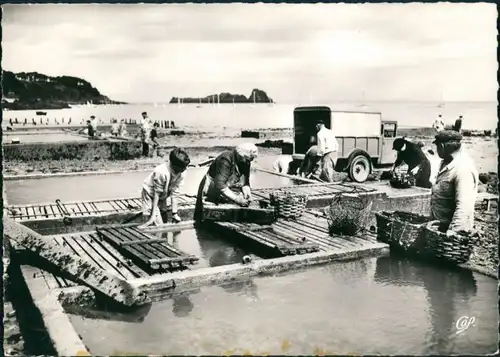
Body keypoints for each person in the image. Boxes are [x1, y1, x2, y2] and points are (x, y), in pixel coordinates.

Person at [194, 143, 258, 222]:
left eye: (250, 160)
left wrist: (247, 193)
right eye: (247, 159)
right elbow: (220, 184)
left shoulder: (246, 161)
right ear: (240, 155)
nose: (248, 162)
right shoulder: (225, 159)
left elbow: (245, 182)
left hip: (226, 191)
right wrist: (237, 199)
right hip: (212, 190)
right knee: (205, 218)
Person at [431, 130, 478, 234]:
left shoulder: (462, 169)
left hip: (451, 232)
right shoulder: (445, 164)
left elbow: (464, 205)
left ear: (442, 147)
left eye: (437, 146)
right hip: (440, 228)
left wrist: (454, 231)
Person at [138, 148, 191, 228]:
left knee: (163, 212)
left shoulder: (182, 171)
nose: (185, 169)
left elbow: (175, 193)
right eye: (183, 168)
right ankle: (146, 229)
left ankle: (163, 231)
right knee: (152, 216)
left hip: (164, 194)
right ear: (173, 165)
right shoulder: (161, 172)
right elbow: (156, 194)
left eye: (185, 167)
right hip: (150, 193)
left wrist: (174, 213)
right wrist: (152, 216)